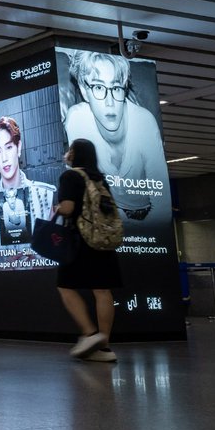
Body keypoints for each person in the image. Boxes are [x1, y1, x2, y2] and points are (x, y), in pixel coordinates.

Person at [64, 51, 168, 222]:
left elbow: (163, 205)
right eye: (98, 87)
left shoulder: (144, 122)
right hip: (102, 216)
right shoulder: (77, 119)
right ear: (83, 89)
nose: (109, 102)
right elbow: (80, 191)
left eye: (116, 88)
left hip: (146, 216)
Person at [54, 138, 123, 363]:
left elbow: (68, 208)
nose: (67, 153)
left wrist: (57, 208)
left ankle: (90, 334)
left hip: (80, 241)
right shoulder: (100, 179)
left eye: (70, 149)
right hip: (103, 240)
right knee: (102, 290)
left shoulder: (70, 176)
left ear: (74, 154)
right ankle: (104, 347)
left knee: (65, 287)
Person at [0, 116, 56, 257]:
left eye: (9, 147)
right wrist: (4, 266)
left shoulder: (44, 195)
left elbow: (56, 249)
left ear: (18, 148)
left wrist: (40, 261)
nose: (4, 158)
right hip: (4, 272)